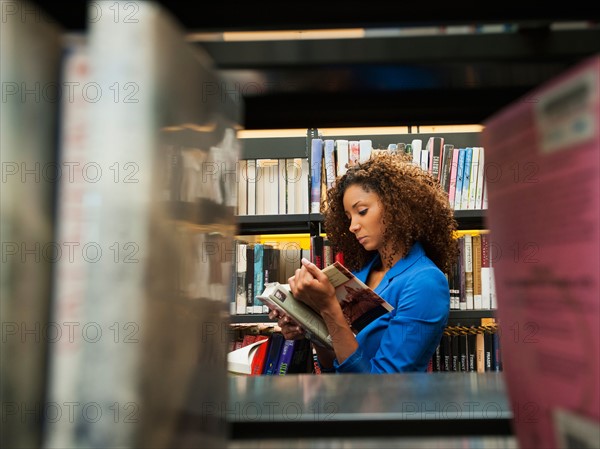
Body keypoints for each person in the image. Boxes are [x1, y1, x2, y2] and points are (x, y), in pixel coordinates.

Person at [269, 152, 458, 373]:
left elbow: (381, 383)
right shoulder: (359, 273)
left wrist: (329, 308)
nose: (352, 226)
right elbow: (333, 367)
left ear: (397, 206)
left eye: (362, 211)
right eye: (349, 218)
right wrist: (312, 325)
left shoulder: (425, 283)